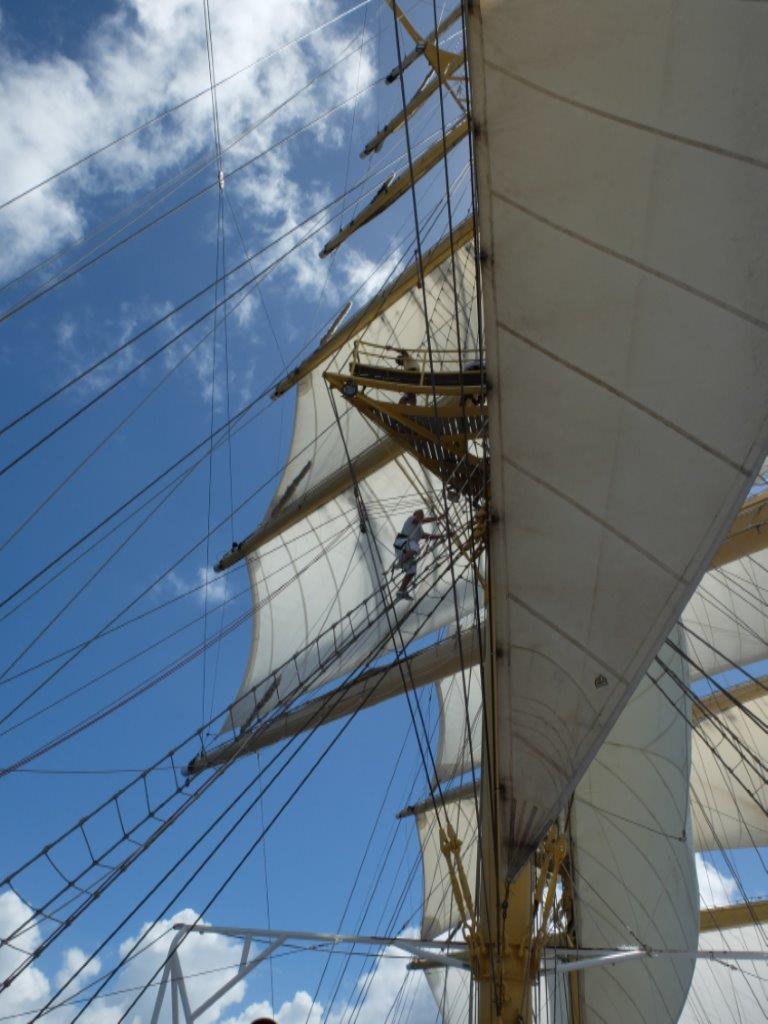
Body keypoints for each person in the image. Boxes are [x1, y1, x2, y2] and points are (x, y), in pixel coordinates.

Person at [393, 509, 442, 600]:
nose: (421, 516)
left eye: (422, 515)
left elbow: (426, 536)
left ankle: (401, 590)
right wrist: (437, 518)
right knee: (416, 548)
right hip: (403, 547)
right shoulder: (410, 519)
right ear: (415, 514)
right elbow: (420, 520)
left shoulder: (419, 529)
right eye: (420, 515)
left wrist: (440, 537)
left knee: (412, 571)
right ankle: (401, 562)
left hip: (408, 552)